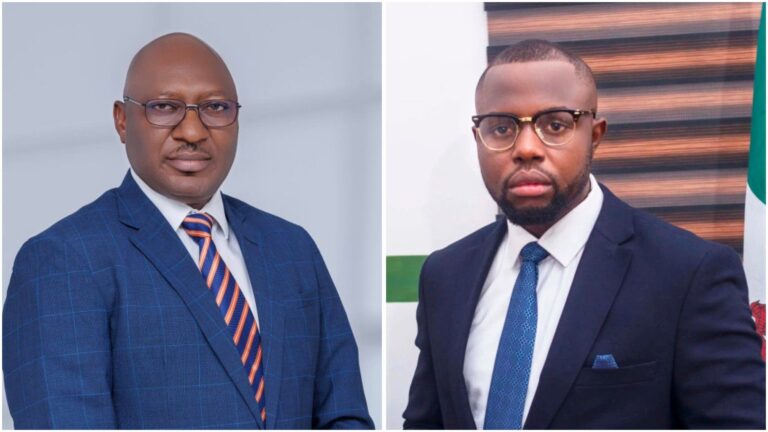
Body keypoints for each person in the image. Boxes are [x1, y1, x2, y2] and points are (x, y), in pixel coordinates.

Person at [3, 33, 374, 430]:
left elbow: (345, 415)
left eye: (215, 107)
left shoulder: (291, 247)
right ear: (122, 120)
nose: (193, 132)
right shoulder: (63, 260)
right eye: (164, 107)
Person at [402, 39, 765, 429]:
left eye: (555, 124)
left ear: (594, 134)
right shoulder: (445, 274)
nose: (526, 148)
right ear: (479, 141)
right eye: (502, 127)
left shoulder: (688, 273)